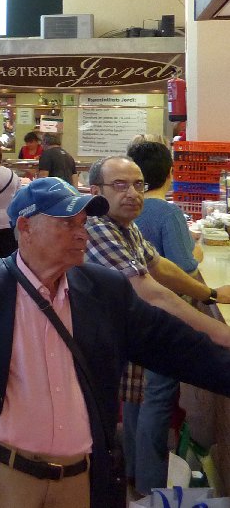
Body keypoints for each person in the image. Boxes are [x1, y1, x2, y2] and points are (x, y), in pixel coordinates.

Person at [0, 178, 230, 508]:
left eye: (82, 223)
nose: (83, 234)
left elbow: (175, 346)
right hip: (4, 474)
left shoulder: (105, 291)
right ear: (25, 227)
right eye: (67, 223)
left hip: (80, 479)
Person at [84, 154, 230, 497]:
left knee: (139, 400)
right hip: (96, 346)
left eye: (138, 185)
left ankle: (136, 481)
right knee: (144, 401)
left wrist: (209, 293)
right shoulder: (97, 228)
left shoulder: (125, 226)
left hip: (124, 338)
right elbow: (151, 292)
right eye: (120, 185)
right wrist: (220, 332)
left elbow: (159, 266)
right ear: (96, 192)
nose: (133, 193)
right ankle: (144, 490)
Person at [123, 140, 203, 495]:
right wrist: (197, 251)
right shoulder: (168, 214)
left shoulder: (124, 211)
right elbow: (184, 268)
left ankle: (130, 470)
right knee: (157, 397)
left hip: (129, 316)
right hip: (162, 319)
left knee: (132, 395)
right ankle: (150, 485)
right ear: (170, 174)